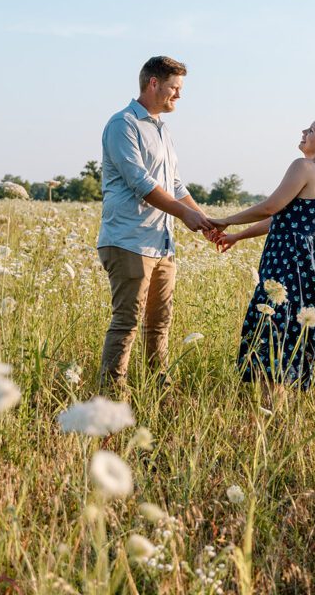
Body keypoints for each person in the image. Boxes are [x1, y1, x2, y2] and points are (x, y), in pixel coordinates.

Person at [210, 117, 315, 391]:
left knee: (273, 328)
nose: (304, 132)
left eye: (311, 130)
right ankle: (280, 412)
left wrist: (225, 220)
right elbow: (284, 219)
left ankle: (272, 412)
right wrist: (238, 236)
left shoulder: (304, 167)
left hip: (287, 261)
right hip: (312, 267)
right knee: (292, 332)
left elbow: (271, 207)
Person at [97, 55, 217, 385]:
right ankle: (112, 396)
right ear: (153, 84)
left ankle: (156, 390)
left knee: (160, 322)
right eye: (174, 88)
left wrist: (205, 222)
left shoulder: (163, 131)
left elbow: (175, 185)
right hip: (129, 239)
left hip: (161, 243)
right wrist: (186, 215)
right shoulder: (123, 125)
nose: (179, 95)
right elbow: (141, 183)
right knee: (127, 321)